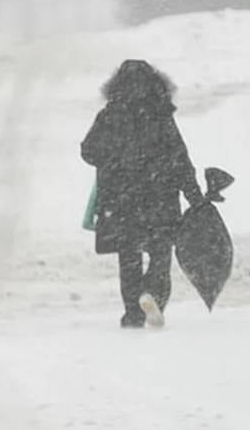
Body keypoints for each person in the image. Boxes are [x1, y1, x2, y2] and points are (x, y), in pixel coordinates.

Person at [81, 60, 205, 329]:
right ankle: (153, 295)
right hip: (160, 198)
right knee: (161, 255)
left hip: (122, 201)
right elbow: (180, 158)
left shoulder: (109, 115)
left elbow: (88, 151)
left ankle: (133, 313)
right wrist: (194, 195)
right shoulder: (161, 115)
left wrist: (113, 159)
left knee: (129, 259)